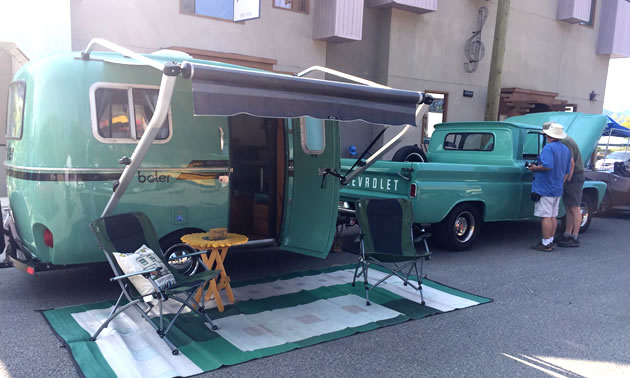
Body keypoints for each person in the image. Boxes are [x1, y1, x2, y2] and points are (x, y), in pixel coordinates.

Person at [528, 122, 571, 252]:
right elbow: (567, 171)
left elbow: (547, 166)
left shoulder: (548, 148)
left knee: (545, 216)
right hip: (557, 188)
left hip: (544, 187)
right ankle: (550, 240)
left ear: (548, 135)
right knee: (552, 216)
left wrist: (534, 168)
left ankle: (546, 243)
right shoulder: (566, 150)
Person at [555, 123, 584, 248]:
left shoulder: (565, 141)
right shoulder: (567, 139)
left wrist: (566, 179)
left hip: (575, 176)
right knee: (569, 206)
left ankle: (574, 236)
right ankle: (567, 234)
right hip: (576, 175)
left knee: (575, 207)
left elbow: (571, 162)